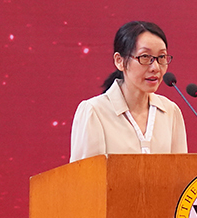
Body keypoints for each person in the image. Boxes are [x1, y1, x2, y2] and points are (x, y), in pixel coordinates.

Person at [69, 21, 188, 162]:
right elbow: (85, 174)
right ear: (119, 61)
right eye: (145, 57)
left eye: (161, 57)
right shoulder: (95, 112)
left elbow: (181, 170)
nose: (155, 67)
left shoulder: (170, 111)